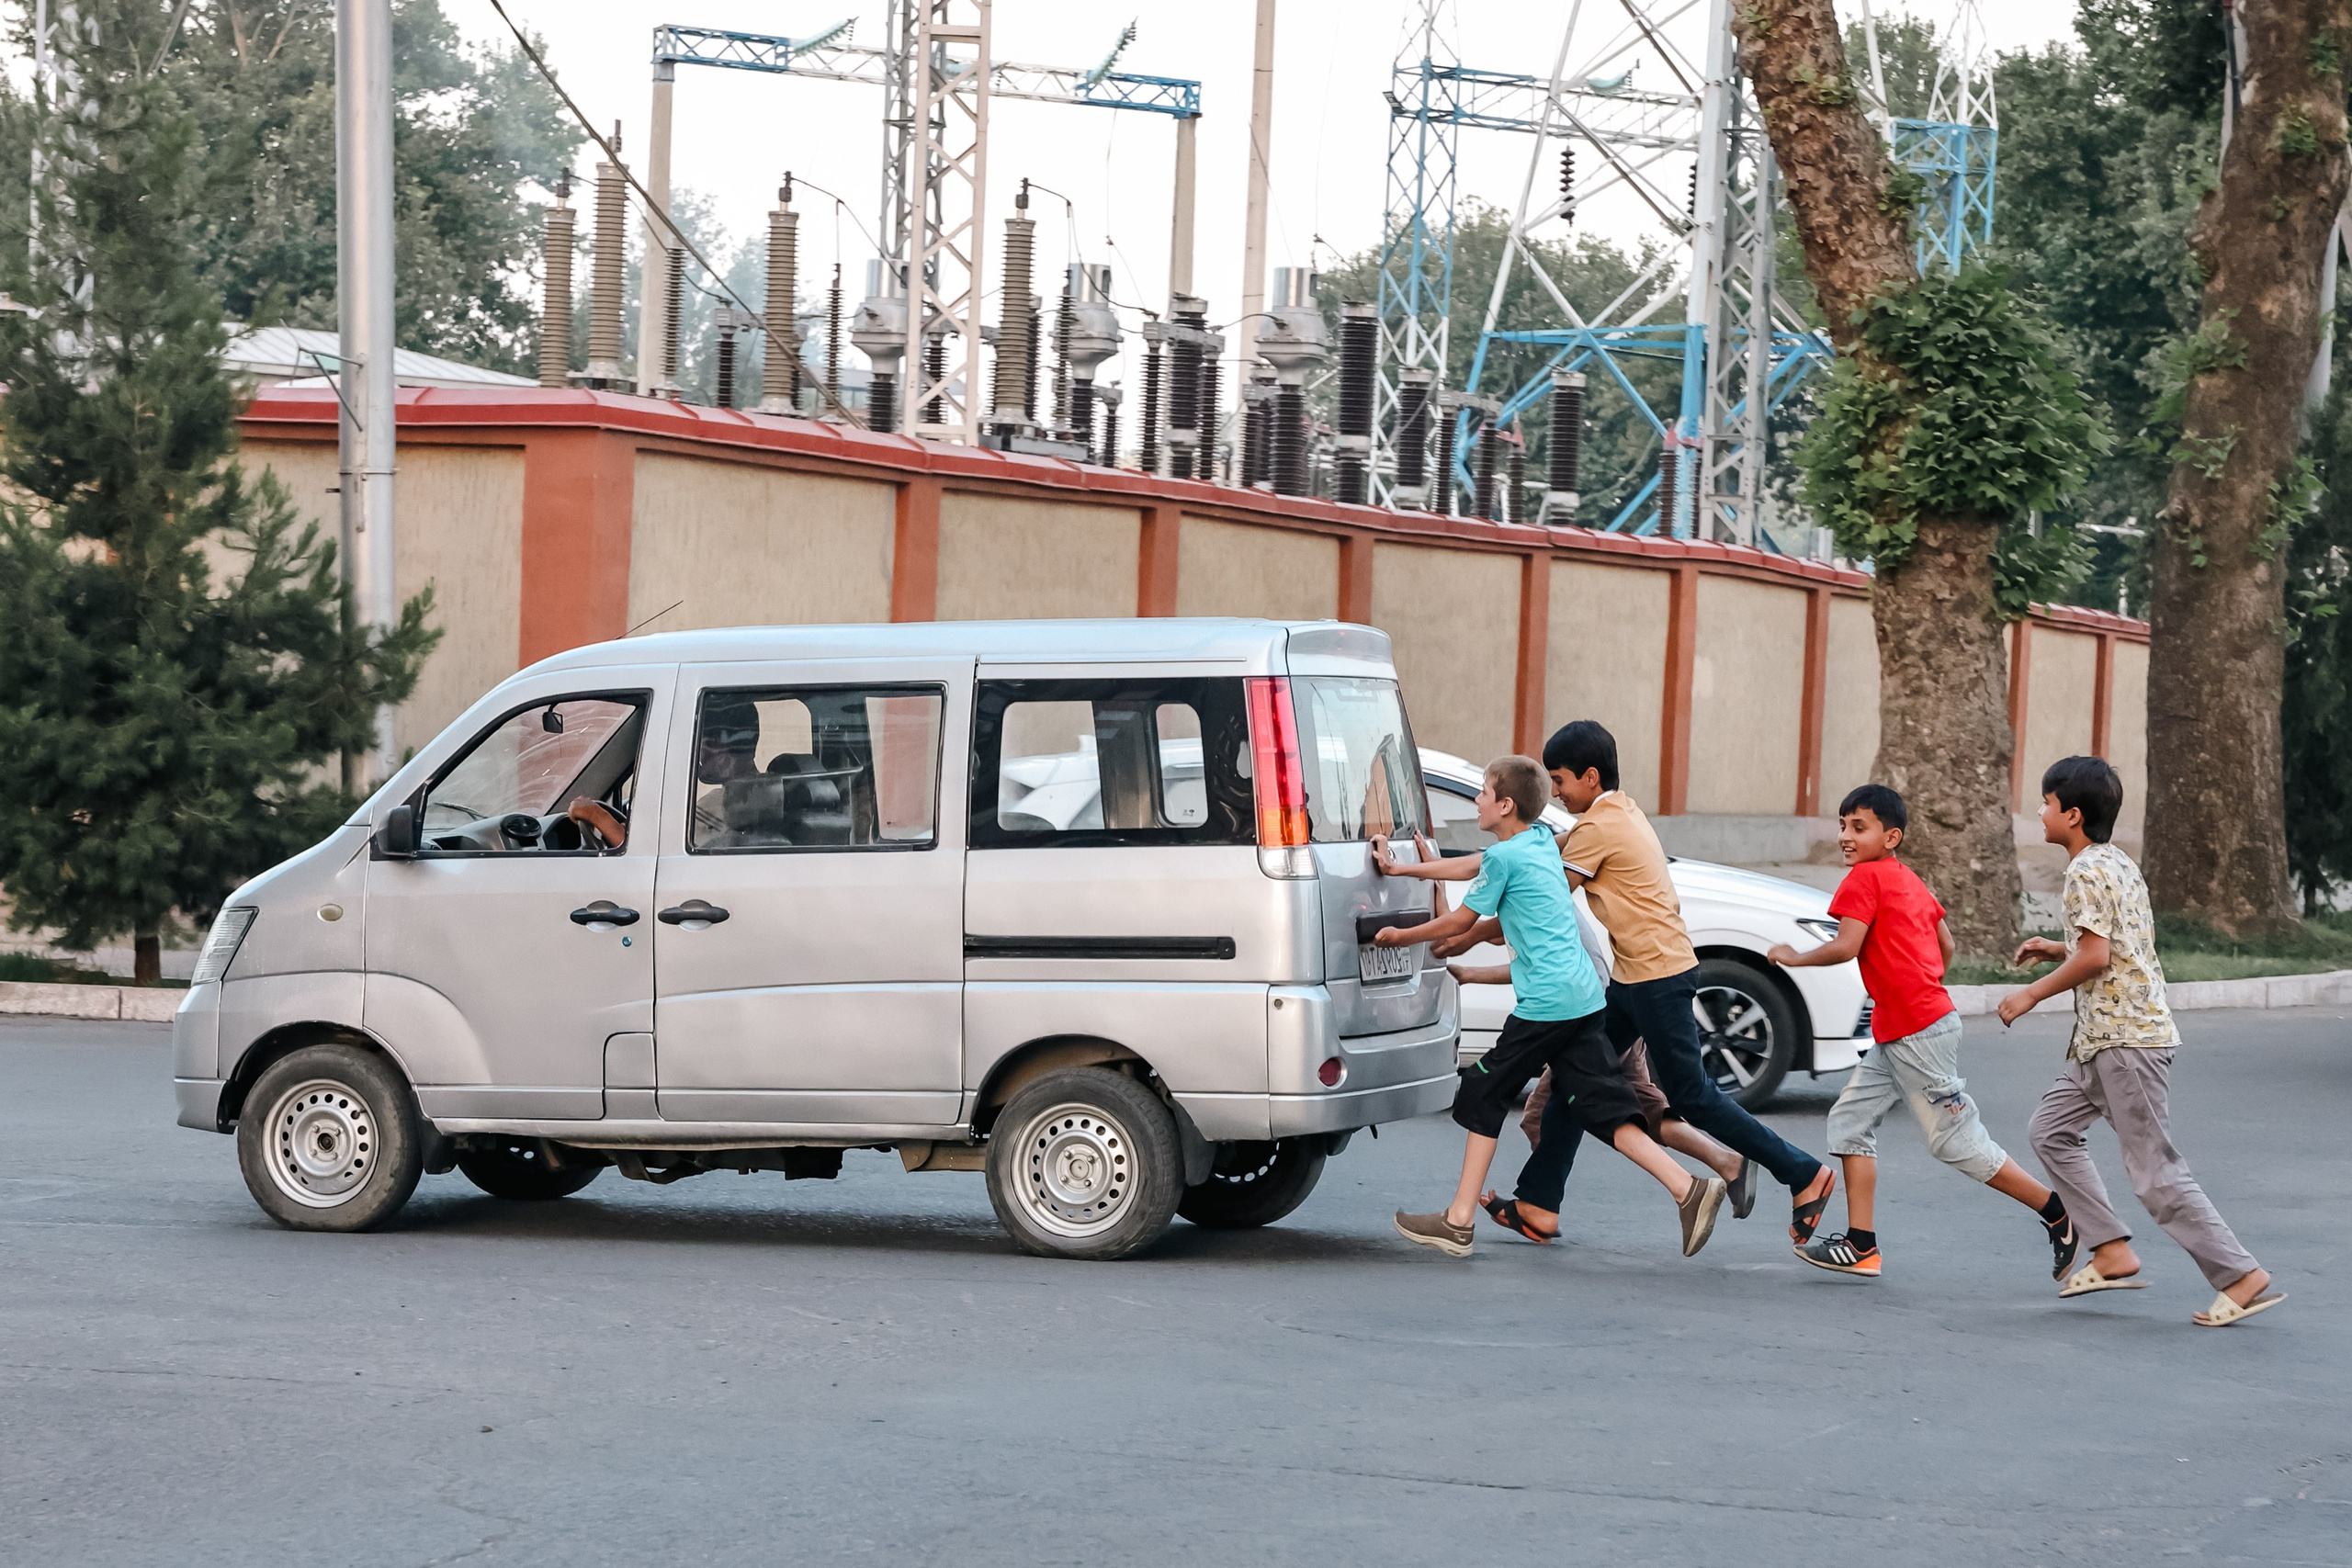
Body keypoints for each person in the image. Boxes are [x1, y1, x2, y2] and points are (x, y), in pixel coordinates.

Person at [1449, 722, 1836, 1248]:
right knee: (1571, 1076)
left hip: (1657, 976)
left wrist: (1465, 937)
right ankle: (1538, 1205)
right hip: (1634, 977)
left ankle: (1801, 1171)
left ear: (1589, 776)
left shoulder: (1598, 829)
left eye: (1560, 781)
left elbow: (1541, 901)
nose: (1555, 793)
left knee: (1691, 1095)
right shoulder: (1618, 809)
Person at [1382, 755, 1727, 1259]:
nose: (1476, 799)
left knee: (1483, 1088)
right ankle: (1687, 1189)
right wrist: (1404, 867)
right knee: (1605, 1106)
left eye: (1482, 791)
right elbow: (1472, 864)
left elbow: (1459, 923)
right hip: (1585, 999)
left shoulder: (1508, 858)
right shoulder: (1538, 839)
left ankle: (1457, 1221)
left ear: (1504, 805)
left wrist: (1399, 936)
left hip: (1546, 1006)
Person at [2003, 757, 2283, 1326]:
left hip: (2126, 1043)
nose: (2039, 811)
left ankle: (2240, 1276)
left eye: (2046, 804)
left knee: (2155, 1169)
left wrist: (2031, 994)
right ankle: (2111, 1250)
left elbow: (2098, 956)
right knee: (2050, 1132)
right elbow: (2115, 944)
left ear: (2072, 815)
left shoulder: (2084, 871)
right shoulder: (2116, 862)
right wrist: (2057, 948)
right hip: (2101, 1039)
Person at [1768, 784, 2078, 1280]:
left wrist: (1795, 957)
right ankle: (1861, 1245)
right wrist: (1922, 982)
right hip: (1906, 1028)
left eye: (1859, 827)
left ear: (1891, 837)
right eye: (1843, 825)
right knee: (1849, 1121)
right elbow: (1945, 943)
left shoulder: (1862, 880)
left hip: (1916, 1032)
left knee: (1954, 1142)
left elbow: (1847, 946)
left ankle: (2057, 1211)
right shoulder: (1907, 880)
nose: (1847, 836)